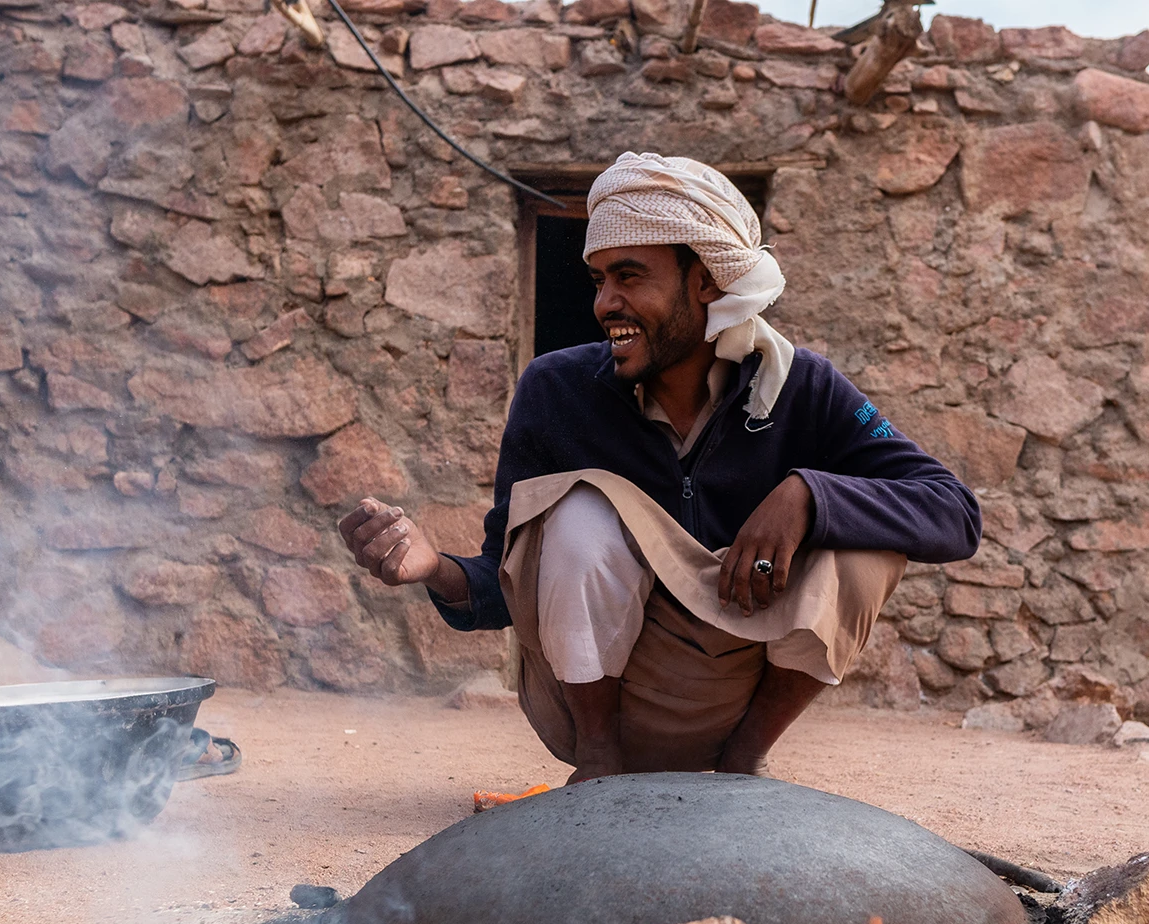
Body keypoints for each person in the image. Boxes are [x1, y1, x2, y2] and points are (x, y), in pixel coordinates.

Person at [339, 153, 980, 780]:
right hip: (611, 707)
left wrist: (809, 497)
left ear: (707, 282)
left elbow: (954, 511)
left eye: (629, 276)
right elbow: (505, 579)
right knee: (578, 510)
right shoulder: (555, 390)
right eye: (599, 281)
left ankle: (745, 762)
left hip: (736, 703)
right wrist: (433, 568)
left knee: (865, 543)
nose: (605, 304)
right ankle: (599, 761)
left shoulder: (800, 387)